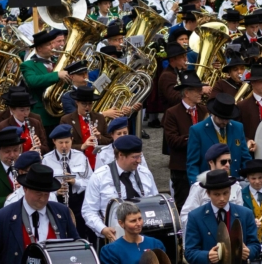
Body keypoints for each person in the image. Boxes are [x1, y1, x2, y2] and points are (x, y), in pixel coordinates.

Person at [0, 164, 79, 264]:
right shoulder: (3, 216)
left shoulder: (62, 211)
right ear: (25, 189)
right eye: (38, 194)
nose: (42, 199)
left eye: (46, 194)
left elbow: (77, 246)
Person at [83, 135, 158, 242]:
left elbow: (155, 202)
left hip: (144, 237)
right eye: (135, 157)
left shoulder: (145, 173)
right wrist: (103, 229)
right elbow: (89, 211)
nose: (139, 161)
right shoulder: (99, 176)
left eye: (140, 156)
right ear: (121, 155)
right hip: (113, 239)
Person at [184, 168, 260, 264]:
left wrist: (249, 251)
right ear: (208, 193)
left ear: (230, 190)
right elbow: (190, 252)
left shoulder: (245, 214)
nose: (222, 198)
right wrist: (207, 256)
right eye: (216, 194)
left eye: (225, 193)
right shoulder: (195, 216)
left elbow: (255, 245)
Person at [163, 69, 209, 211]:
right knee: (184, 206)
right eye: (197, 90)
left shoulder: (204, 110)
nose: (201, 92)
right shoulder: (172, 113)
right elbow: (172, 141)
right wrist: (195, 138)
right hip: (181, 168)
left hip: (202, 165)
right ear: (187, 93)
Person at [187, 93, 251, 183]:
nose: (225, 122)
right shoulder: (197, 130)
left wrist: (250, 177)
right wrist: (197, 186)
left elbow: (245, 158)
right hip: (209, 185)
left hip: (235, 183)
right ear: (213, 114)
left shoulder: (238, 127)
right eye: (222, 118)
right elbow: (192, 164)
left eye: (228, 119)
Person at [41, 124, 92, 237]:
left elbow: (91, 181)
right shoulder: (46, 160)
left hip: (78, 204)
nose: (64, 146)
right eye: (60, 143)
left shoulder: (81, 157)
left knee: (79, 234)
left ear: (72, 140)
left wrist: (75, 182)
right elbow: (42, 186)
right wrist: (55, 191)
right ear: (54, 141)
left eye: (67, 142)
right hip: (56, 203)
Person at [20, 30, 71, 134]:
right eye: (49, 44)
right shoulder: (28, 65)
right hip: (43, 115)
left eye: (52, 43)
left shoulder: (58, 62)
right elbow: (32, 81)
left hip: (61, 113)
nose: (53, 46)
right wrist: (56, 75)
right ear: (39, 48)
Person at [60, 86, 112, 168]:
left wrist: (99, 137)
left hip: (98, 162)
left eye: (90, 104)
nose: (87, 107)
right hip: (77, 162)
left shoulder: (100, 118)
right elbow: (61, 145)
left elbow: (110, 142)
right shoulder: (66, 120)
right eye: (84, 104)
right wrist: (82, 146)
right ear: (77, 102)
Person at [99, 201, 167, 264]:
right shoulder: (110, 251)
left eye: (140, 219)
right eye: (133, 221)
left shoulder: (155, 244)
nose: (138, 224)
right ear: (121, 223)